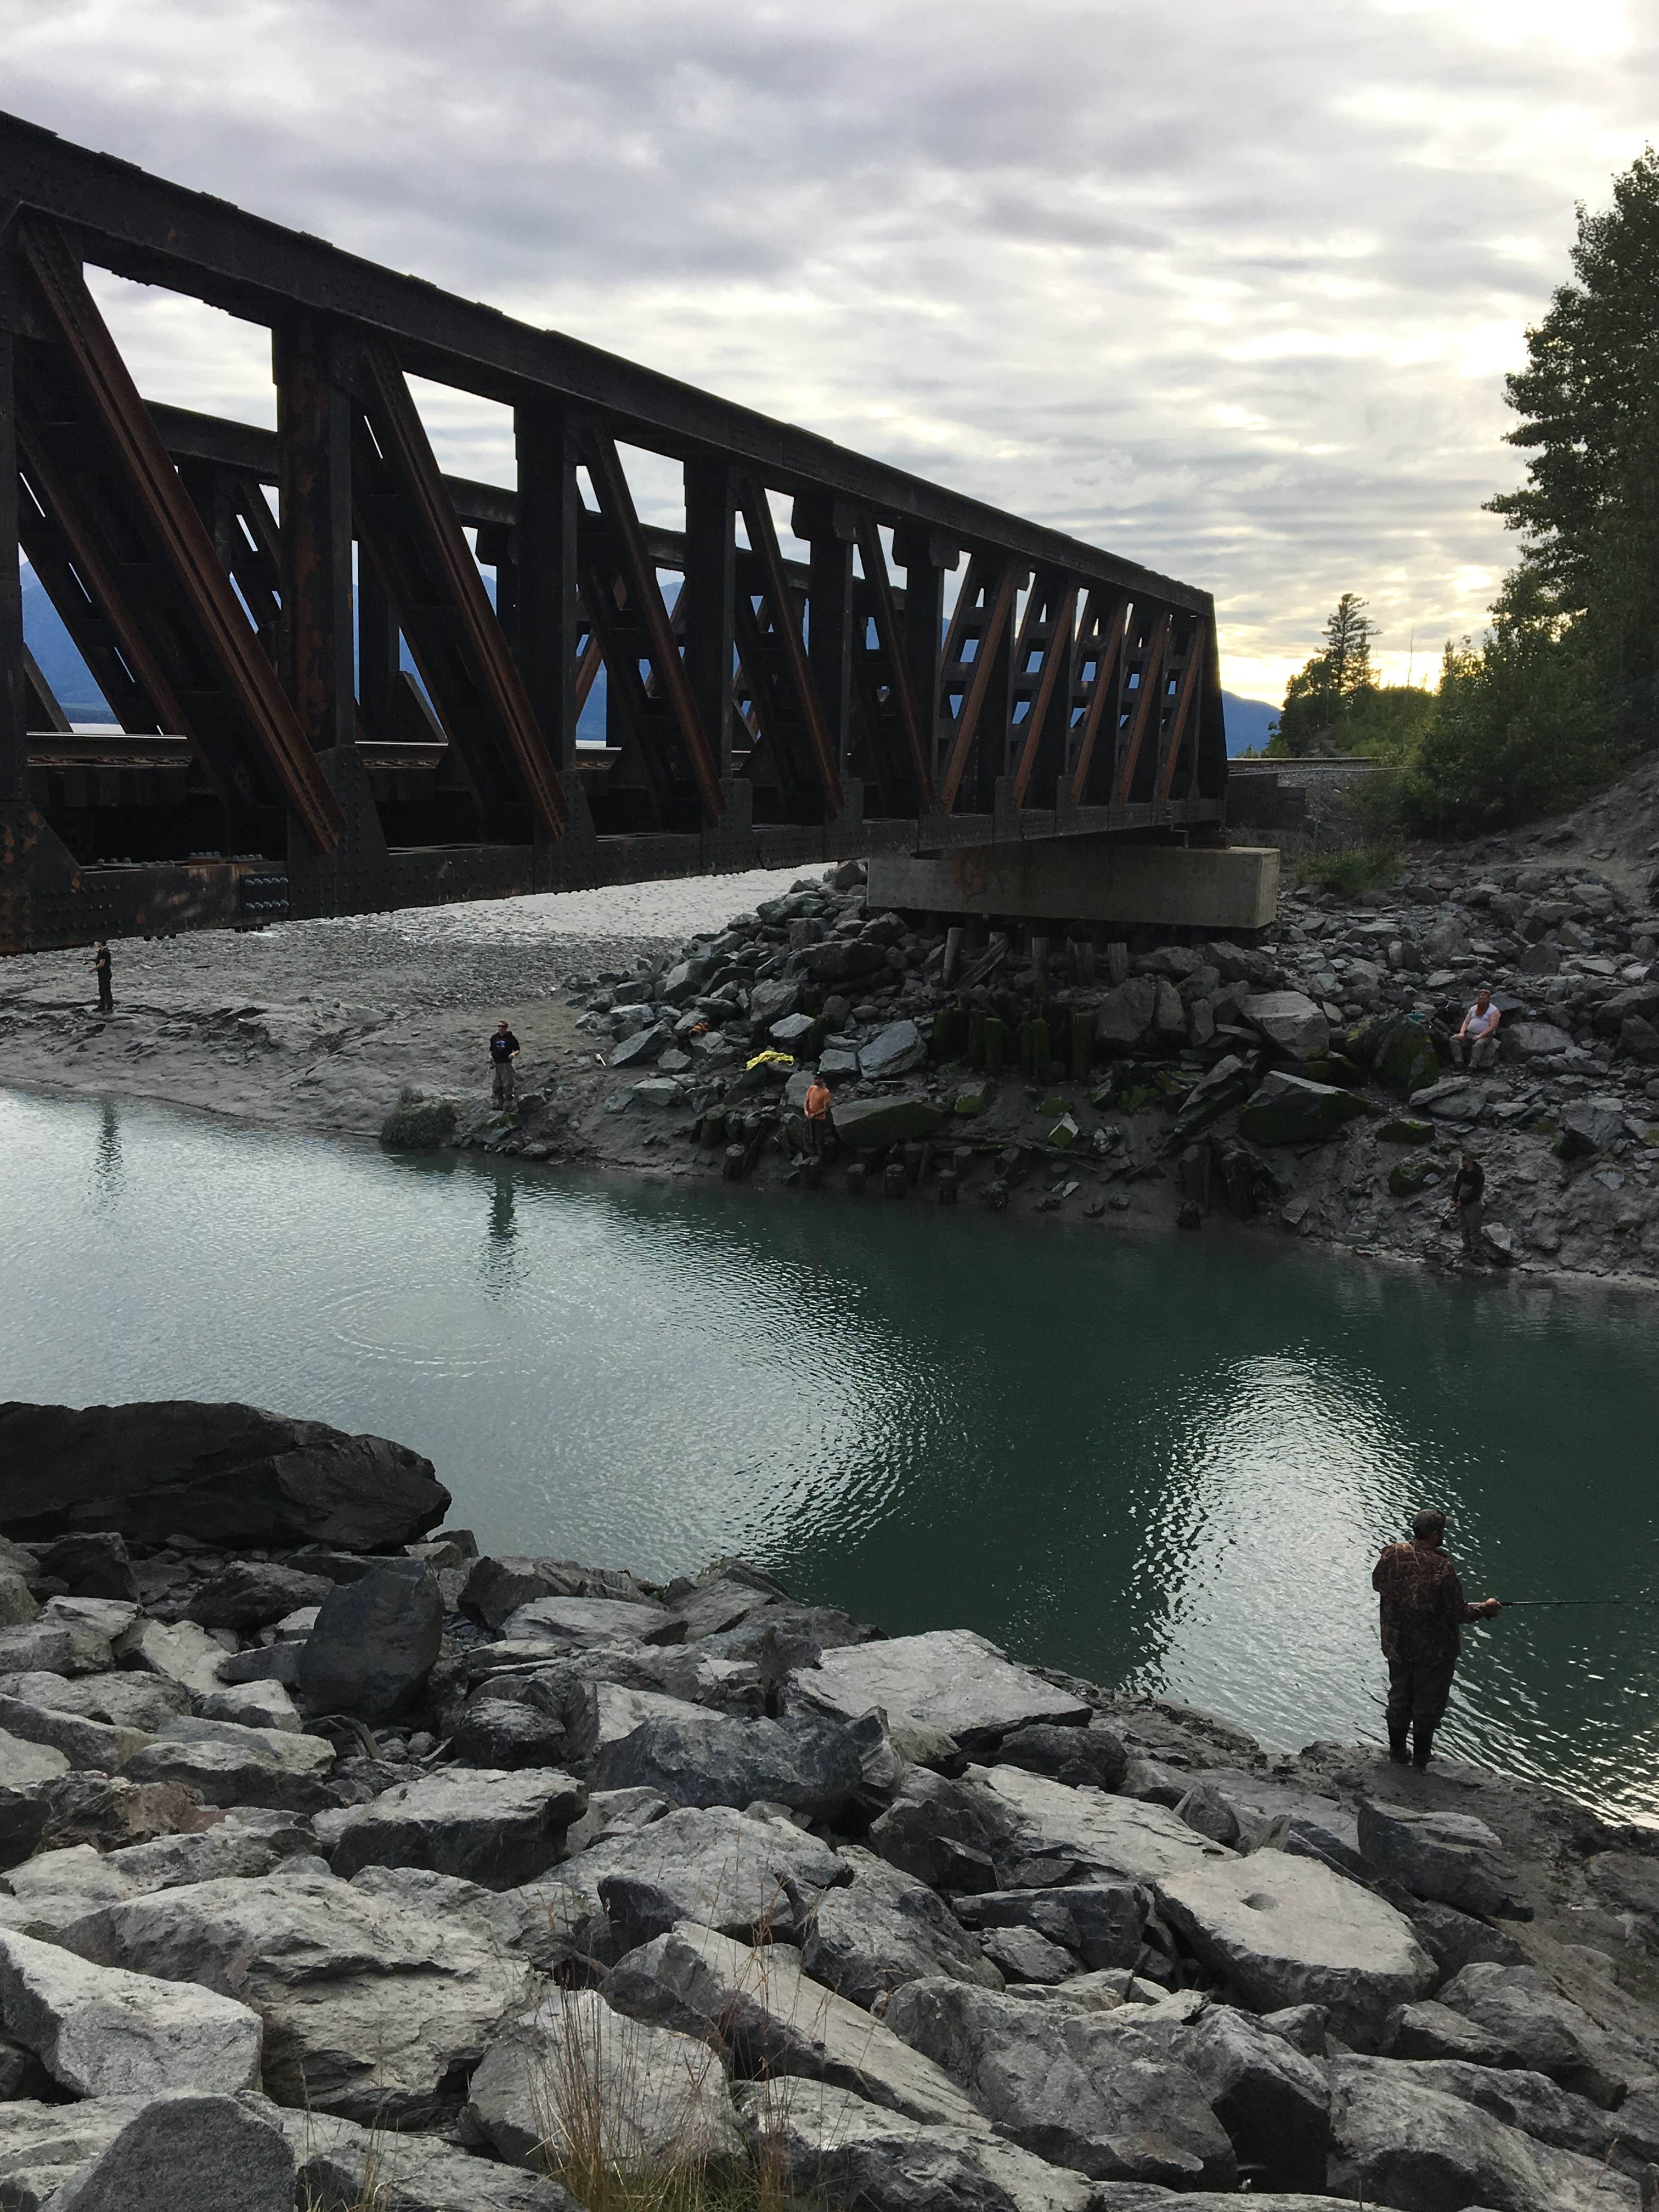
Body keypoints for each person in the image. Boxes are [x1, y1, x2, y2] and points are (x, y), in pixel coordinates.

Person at [1372, 1509, 1502, 1769]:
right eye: (1442, 1531)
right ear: (1434, 1535)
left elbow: (1378, 1584)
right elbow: (1458, 1613)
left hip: (1397, 1644)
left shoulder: (1392, 1554)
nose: (1444, 1534)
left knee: (1399, 1697)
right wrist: (1487, 1608)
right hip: (1434, 1652)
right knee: (1427, 1704)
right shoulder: (1442, 1569)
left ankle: (1397, 1753)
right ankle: (1421, 1759)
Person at [1453, 986, 1501, 1070]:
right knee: (1453, 1040)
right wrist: (1462, 1033)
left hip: (1485, 1036)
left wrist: (1481, 1035)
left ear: (1489, 998)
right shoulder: (1473, 1008)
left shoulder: (1494, 1011)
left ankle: (1473, 1066)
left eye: (1485, 998)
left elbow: (1493, 1027)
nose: (1483, 1000)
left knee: (1478, 1045)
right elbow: (1466, 1022)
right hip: (1470, 1034)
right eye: (1481, 997)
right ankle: (1459, 1061)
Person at [1452, 1151, 1486, 1259]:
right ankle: (1467, 1247)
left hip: (1473, 1204)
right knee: (1463, 1226)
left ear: (1470, 1160)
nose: (1463, 1162)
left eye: (1465, 1159)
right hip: (1461, 1203)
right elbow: (1457, 1187)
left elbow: (1476, 1192)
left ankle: (1477, 1250)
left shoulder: (1478, 1175)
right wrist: (1454, 1199)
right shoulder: (1461, 1173)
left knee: (1474, 1227)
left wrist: (1464, 1202)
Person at [489, 1019, 520, 1110]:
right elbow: (491, 1050)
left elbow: (517, 1049)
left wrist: (513, 1054)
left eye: (502, 1027)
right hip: (497, 1063)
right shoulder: (494, 1038)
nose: (500, 1028)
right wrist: (490, 1056)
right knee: (497, 1084)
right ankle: (497, 1104)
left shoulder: (511, 1038)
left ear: (506, 1028)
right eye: (499, 1026)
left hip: (506, 1063)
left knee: (508, 1084)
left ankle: (509, 1105)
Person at [804, 1071, 832, 1160]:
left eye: (817, 1078)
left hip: (820, 1119)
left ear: (822, 1080)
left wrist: (815, 1114)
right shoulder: (812, 1088)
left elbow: (825, 1109)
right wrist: (806, 1111)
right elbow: (806, 1101)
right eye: (815, 1078)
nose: (815, 1080)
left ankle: (820, 1159)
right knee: (810, 1138)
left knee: (819, 1139)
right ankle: (812, 1156)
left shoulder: (826, 1092)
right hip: (810, 1118)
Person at [92, 940, 112, 1014]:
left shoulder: (104, 952)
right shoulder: (101, 952)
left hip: (105, 973)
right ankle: (102, 1005)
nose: (96, 944)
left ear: (101, 943)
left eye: (98, 942)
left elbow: (102, 964)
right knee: (102, 989)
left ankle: (109, 1007)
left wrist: (92, 969)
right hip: (102, 973)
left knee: (106, 990)